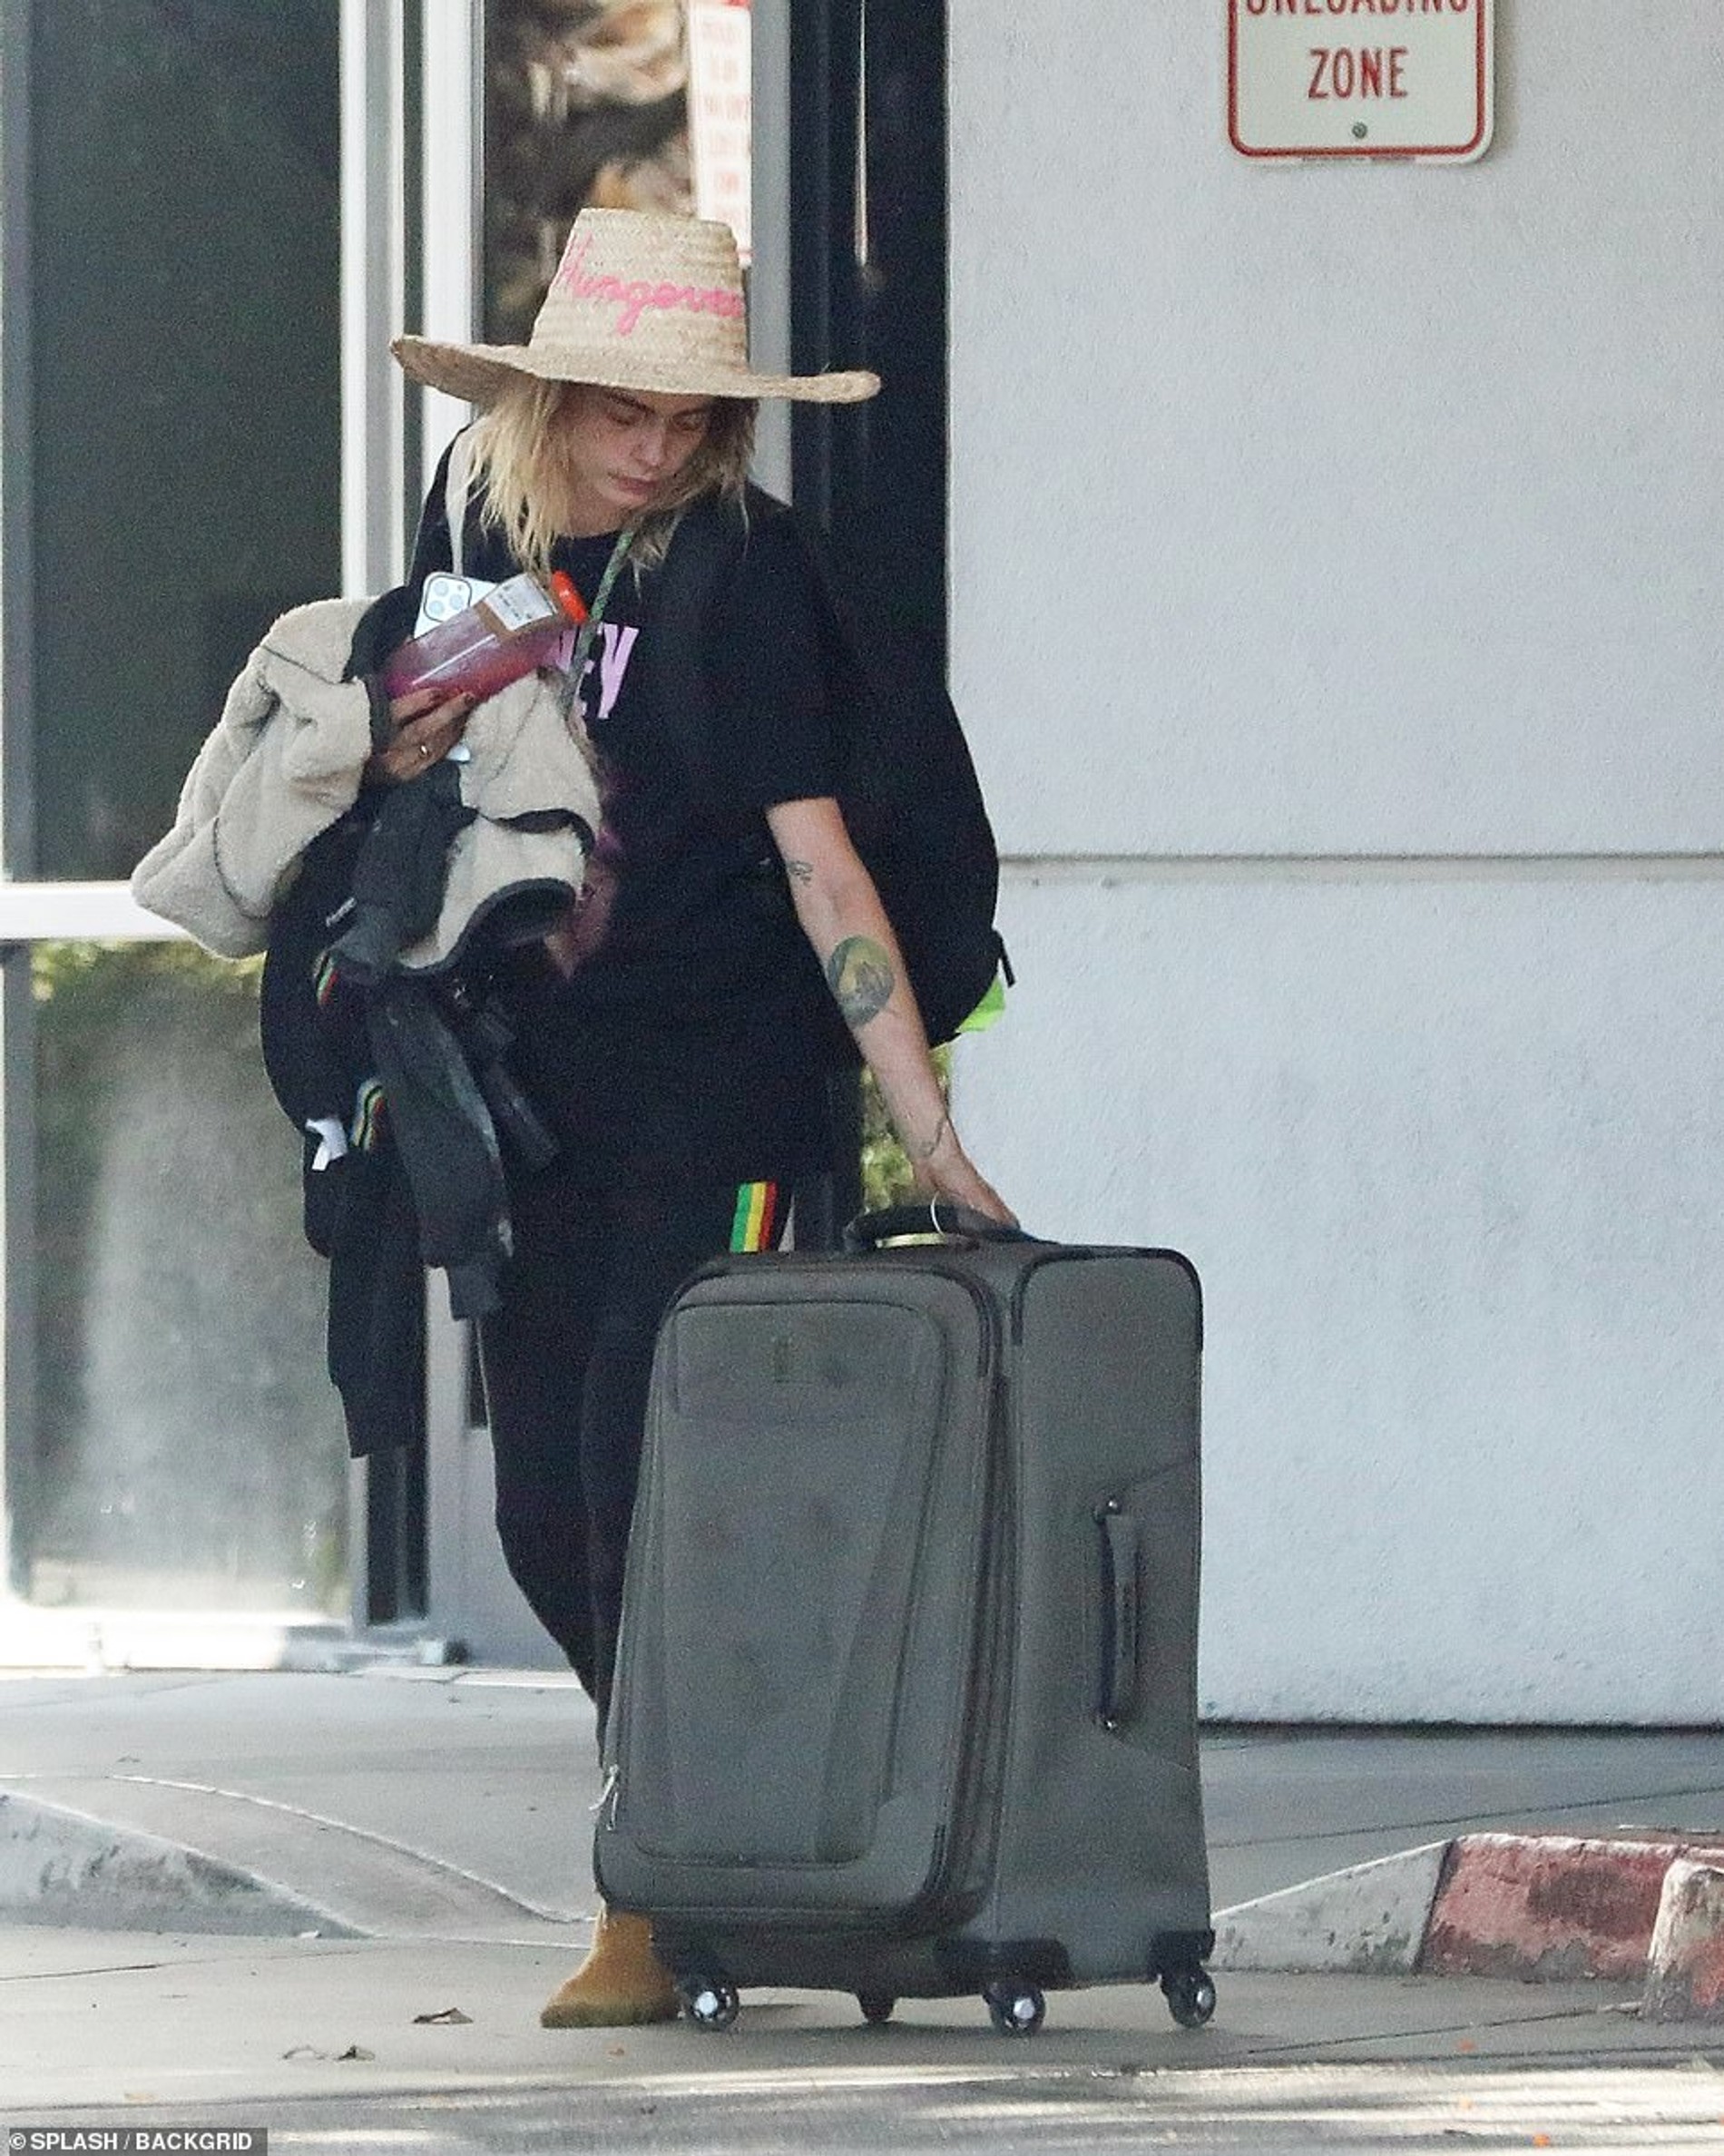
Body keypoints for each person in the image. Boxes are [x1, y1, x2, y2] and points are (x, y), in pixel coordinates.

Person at [388, 207, 1013, 2028]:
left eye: (689, 418)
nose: (654, 449)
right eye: (621, 411)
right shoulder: (473, 514)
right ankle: (701, 1824)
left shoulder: (739, 570)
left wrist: (924, 1129)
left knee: (640, 1466)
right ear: (547, 398)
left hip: (720, 1085)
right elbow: (425, 763)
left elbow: (821, 863)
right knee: (536, 1509)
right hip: (532, 1083)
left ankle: (655, 1889)